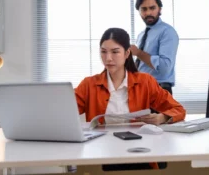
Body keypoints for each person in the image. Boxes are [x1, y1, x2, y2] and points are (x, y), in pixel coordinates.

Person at [74, 27, 186, 170]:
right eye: (103, 52)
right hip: (102, 154)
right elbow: (65, 113)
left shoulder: (145, 81)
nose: (108, 58)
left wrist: (162, 118)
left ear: (127, 53)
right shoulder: (89, 84)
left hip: (140, 152)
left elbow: (178, 109)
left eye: (115, 52)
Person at [130, 0, 179, 95]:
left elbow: (164, 68)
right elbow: (143, 65)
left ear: (159, 10)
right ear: (139, 11)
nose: (148, 13)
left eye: (152, 8)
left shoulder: (167, 32)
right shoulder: (141, 35)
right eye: (144, 9)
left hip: (159, 90)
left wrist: (138, 53)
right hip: (141, 89)